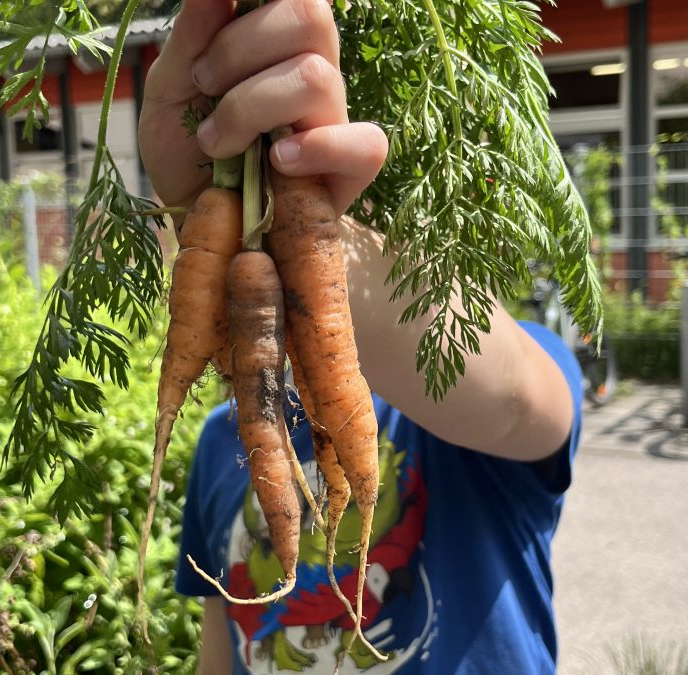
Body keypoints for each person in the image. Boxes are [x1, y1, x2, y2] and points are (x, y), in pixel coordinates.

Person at [137, 0, 583, 672]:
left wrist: (314, 223)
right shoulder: (219, 444)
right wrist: (221, 194)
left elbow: (514, 397)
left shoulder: (491, 400)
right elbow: (218, 653)